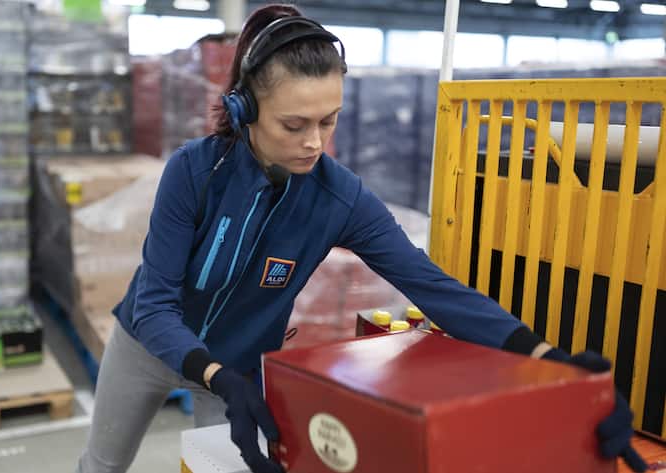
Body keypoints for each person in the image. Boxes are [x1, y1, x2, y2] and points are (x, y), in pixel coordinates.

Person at [77, 4, 646, 473]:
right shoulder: (195, 173)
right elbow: (154, 304)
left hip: (236, 370)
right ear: (244, 108)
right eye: (293, 125)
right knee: (101, 467)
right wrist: (214, 372)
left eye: (329, 120)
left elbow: (430, 285)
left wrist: (547, 357)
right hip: (147, 349)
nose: (315, 143)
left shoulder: (338, 198)